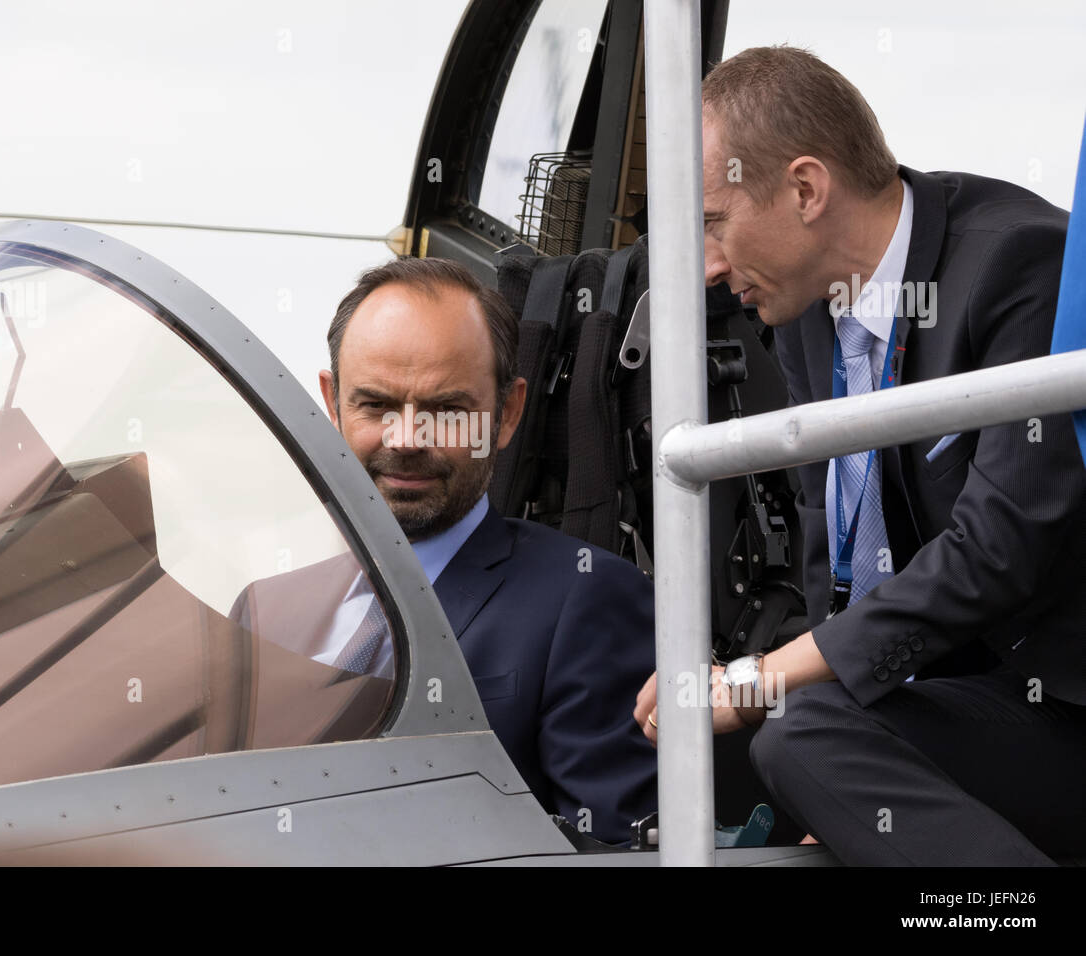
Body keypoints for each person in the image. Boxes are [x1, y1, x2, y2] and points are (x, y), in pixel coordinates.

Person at [636, 45, 1086, 865]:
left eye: (710, 223)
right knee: (767, 740)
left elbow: (993, 556)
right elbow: (828, 550)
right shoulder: (804, 309)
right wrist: (849, 792)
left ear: (805, 189)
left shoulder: (1024, 268)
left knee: (785, 725)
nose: (704, 266)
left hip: (1063, 704)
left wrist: (755, 680)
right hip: (966, 701)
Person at [297, 256, 658, 844]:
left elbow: (615, 852)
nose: (408, 440)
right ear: (332, 403)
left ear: (508, 413)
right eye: (378, 405)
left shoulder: (586, 601)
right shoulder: (263, 609)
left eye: (446, 410)